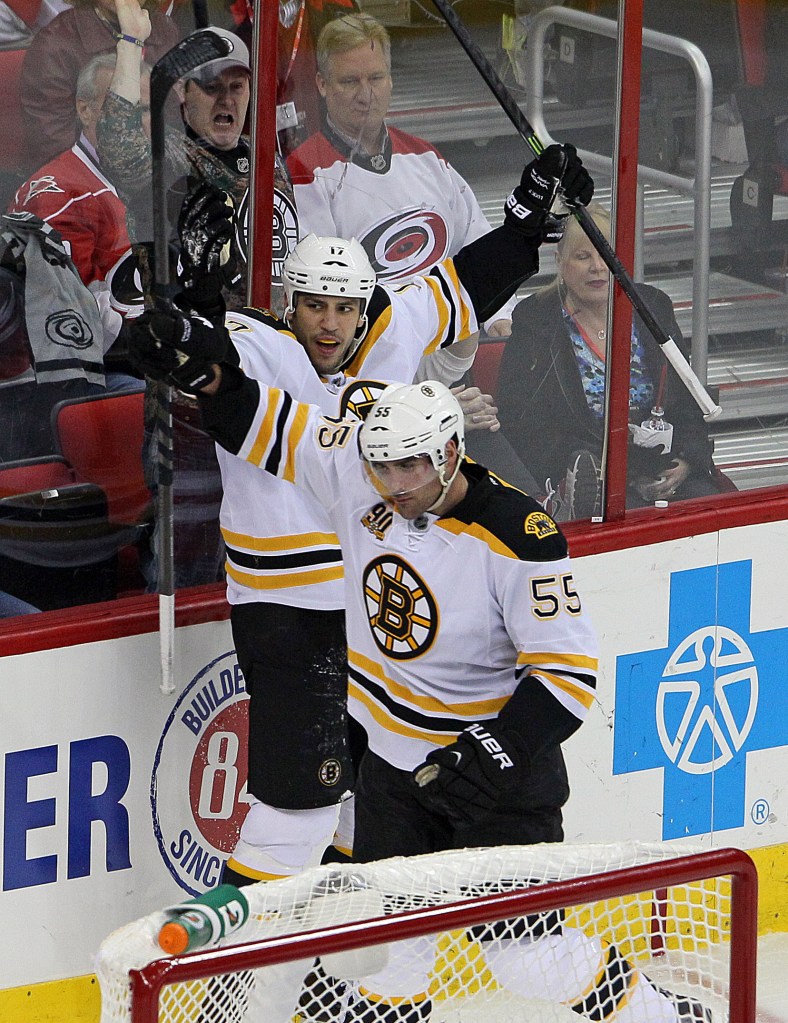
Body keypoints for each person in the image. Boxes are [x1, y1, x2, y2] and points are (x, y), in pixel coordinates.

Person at [124, 304, 712, 1022]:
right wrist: (208, 374)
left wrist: (496, 750)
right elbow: (267, 423)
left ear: (450, 452)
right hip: (394, 776)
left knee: (523, 956)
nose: (393, 482)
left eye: (410, 465)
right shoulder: (358, 471)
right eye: (380, 464)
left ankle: (673, 1016)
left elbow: (566, 675)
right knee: (388, 956)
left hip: (493, 781)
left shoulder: (519, 535)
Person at [127, 143, 595, 887]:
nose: (329, 323)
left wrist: (529, 217)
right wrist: (186, 311)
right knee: (301, 801)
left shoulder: (394, 324)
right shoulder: (256, 343)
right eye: (314, 303)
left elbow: (468, 286)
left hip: (368, 602)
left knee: (362, 804)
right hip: (283, 605)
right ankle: (229, 971)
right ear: (290, 300)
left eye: (344, 307)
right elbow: (210, 359)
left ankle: (336, 962)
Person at [286, 13, 517, 340]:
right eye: (350, 81)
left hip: (451, 349)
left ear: (391, 79)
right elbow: (324, 298)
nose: (366, 94)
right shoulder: (304, 174)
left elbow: (479, 245)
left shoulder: (425, 157)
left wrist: (499, 317)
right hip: (370, 360)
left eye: (376, 78)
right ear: (322, 84)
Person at [496, 204, 726, 519]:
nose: (598, 267)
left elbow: (687, 399)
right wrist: (597, 470)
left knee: (712, 512)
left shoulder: (653, 307)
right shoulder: (536, 322)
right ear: (560, 262)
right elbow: (521, 422)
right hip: (590, 479)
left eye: (606, 255)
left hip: (664, 465)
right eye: (582, 257)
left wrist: (687, 460)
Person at [9, 52, 150, 360]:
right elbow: (69, 332)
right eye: (118, 107)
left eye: (144, 109)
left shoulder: (160, 179)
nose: (133, 122)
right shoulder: (60, 198)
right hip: (98, 373)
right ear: (85, 110)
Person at [18, 0, 178, 171]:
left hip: (158, 176)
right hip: (88, 180)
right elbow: (54, 149)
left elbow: (174, 122)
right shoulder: (55, 45)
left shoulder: (164, 29)